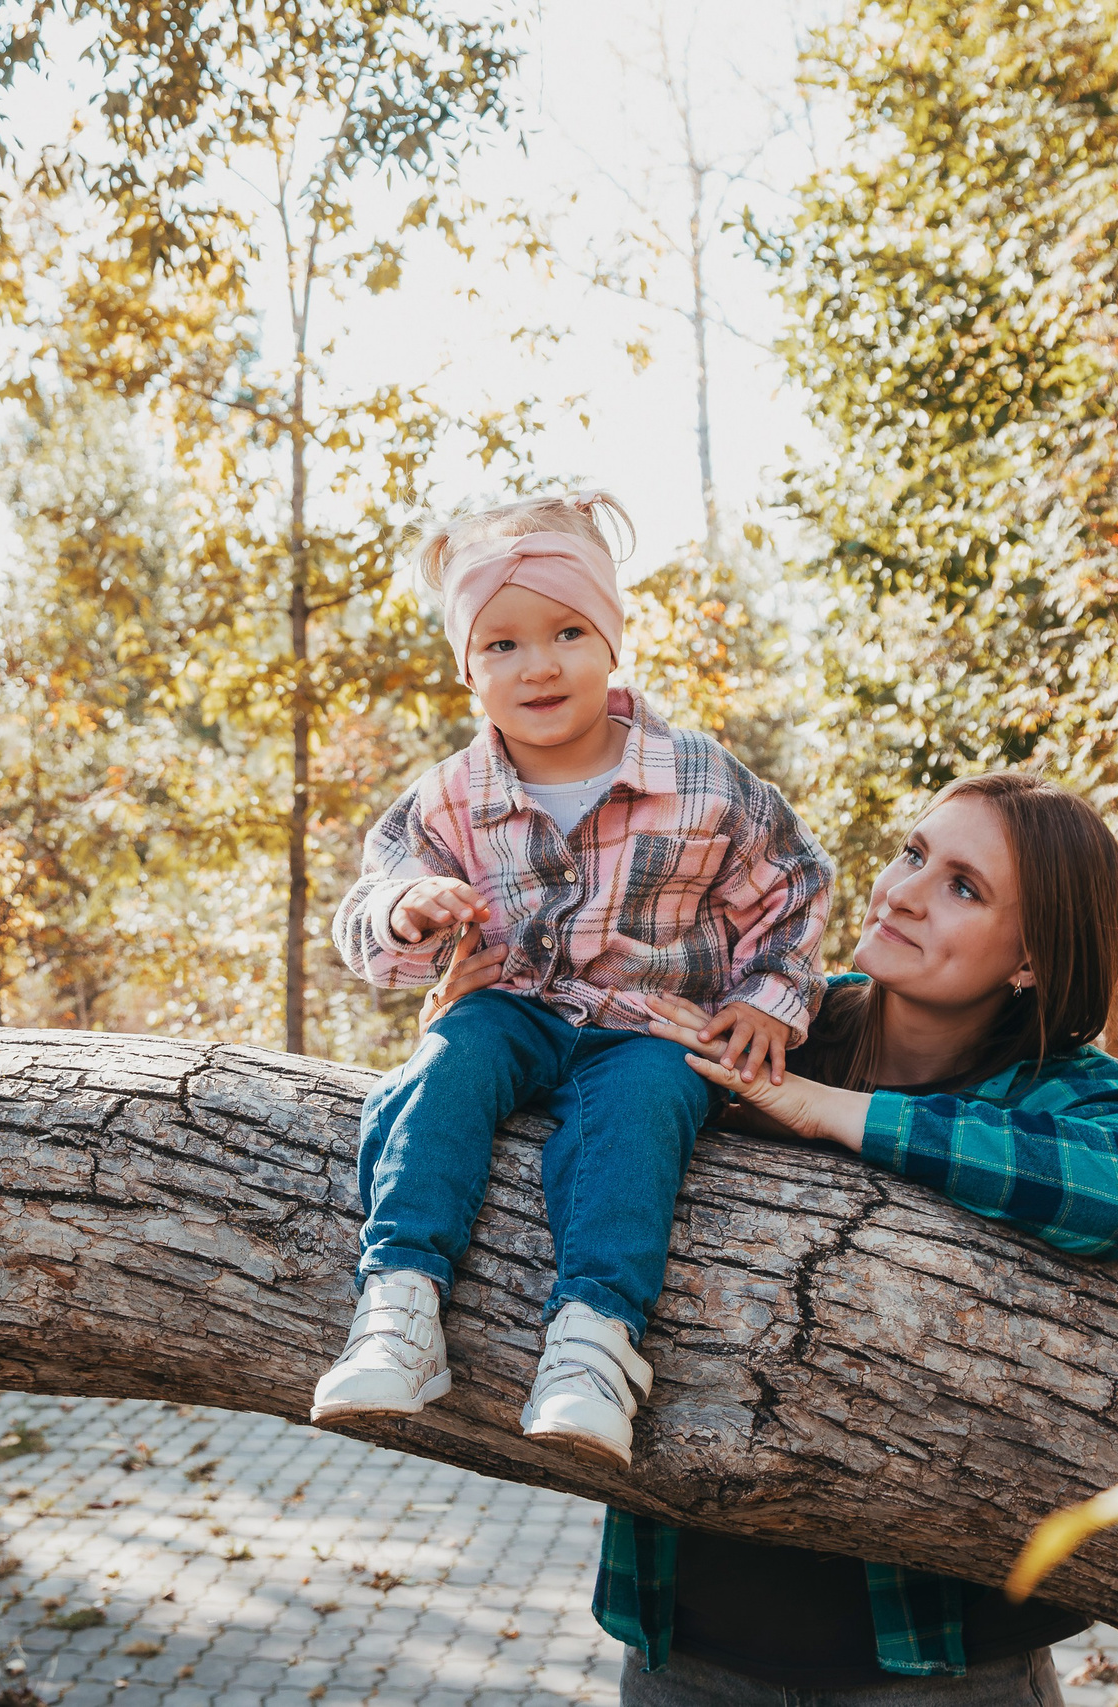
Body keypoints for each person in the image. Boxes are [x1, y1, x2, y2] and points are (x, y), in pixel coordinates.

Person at [423, 770, 1118, 1705]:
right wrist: (475, 1024)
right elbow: (573, 1099)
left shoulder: (1044, 1083)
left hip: (940, 1659)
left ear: (1032, 957)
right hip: (691, 1637)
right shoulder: (767, 1015)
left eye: (963, 886)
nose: (902, 890)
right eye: (913, 853)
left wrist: (837, 1114)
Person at [318, 489, 835, 1470]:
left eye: (565, 631)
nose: (538, 663)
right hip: (506, 1010)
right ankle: (398, 1305)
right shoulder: (449, 800)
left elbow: (794, 880)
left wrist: (769, 1001)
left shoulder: (701, 779)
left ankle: (595, 1342)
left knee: (637, 1117)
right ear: (468, 668)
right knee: (439, 1073)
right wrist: (404, 910)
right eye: (501, 645)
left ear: (611, 639)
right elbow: (368, 914)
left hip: (649, 1028)